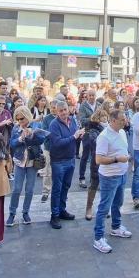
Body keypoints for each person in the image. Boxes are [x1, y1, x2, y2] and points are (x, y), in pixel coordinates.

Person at [91, 108, 133, 253]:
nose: (125, 121)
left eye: (125, 119)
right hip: (109, 176)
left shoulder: (121, 132)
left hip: (121, 174)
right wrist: (117, 159)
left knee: (118, 203)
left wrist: (124, 158)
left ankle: (116, 227)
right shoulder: (104, 137)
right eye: (122, 119)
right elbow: (98, 159)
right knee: (104, 207)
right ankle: (98, 238)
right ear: (113, 120)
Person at [46, 98, 84, 230]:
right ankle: (54, 215)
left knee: (66, 186)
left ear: (68, 110)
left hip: (70, 159)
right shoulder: (53, 125)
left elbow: (74, 138)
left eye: (65, 110)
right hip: (58, 160)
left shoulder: (72, 120)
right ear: (56, 112)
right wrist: (74, 137)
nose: (63, 113)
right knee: (57, 188)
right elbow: (57, 143)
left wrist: (80, 135)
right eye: (60, 111)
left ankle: (62, 210)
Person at [7, 105, 48, 226]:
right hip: (19, 162)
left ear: (27, 117)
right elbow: (12, 144)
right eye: (18, 119)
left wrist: (31, 135)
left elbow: (41, 140)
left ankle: (26, 212)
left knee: (29, 190)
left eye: (22, 119)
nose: (20, 122)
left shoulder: (35, 126)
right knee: (16, 189)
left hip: (32, 162)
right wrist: (20, 138)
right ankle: (12, 213)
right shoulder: (15, 128)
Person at [78, 108, 106, 221]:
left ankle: (104, 208)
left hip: (107, 162)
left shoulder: (107, 128)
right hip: (97, 161)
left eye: (106, 116)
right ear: (98, 118)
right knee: (94, 184)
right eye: (103, 117)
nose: (105, 119)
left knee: (106, 186)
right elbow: (94, 142)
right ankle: (88, 208)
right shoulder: (92, 129)